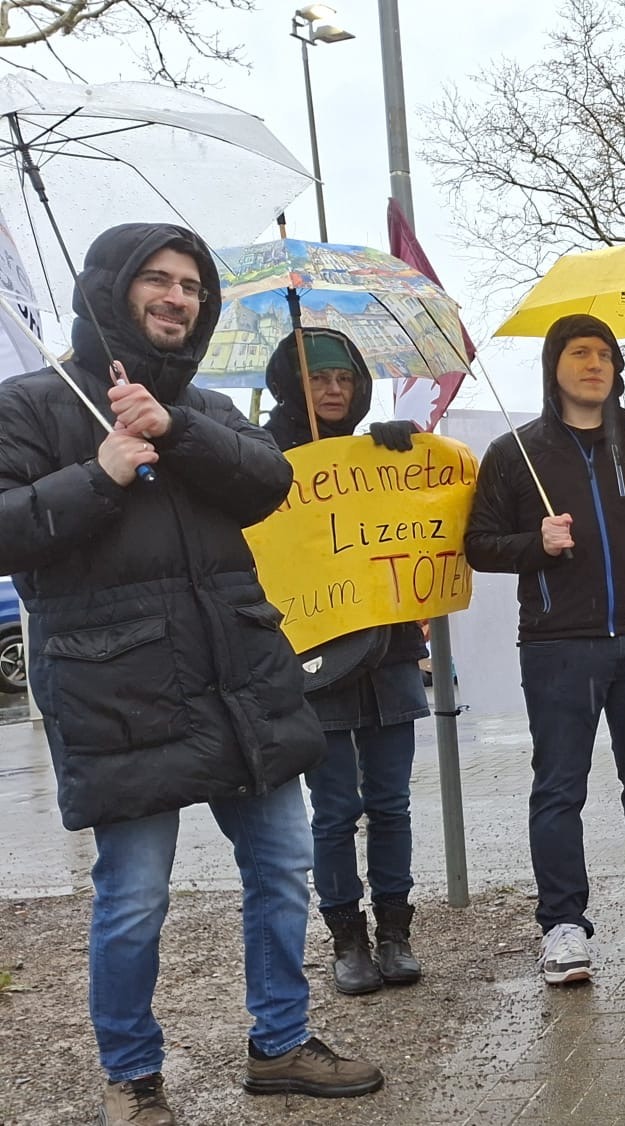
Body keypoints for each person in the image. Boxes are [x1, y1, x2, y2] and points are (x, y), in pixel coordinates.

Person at [0, 224, 382, 1124]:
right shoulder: (29, 405)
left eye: (193, 287)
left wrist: (174, 430)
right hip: (115, 694)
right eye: (158, 281)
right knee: (134, 898)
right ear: (110, 288)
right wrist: (95, 474)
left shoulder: (204, 407)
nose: (180, 298)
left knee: (284, 868)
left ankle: (280, 1045)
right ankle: (133, 1074)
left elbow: (267, 483)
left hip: (238, 681)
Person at [466, 313, 625, 986]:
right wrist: (536, 544)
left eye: (605, 354)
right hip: (559, 648)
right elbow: (479, 545)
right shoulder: (515, 452)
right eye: (579, 353)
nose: (595, 363)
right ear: (555, 366)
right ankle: (562, 924)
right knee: (559, 788)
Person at [262, 327, 428, 995]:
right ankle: (347, 939)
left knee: (390, 804)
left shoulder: (375, 449)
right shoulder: (263, 454)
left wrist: (402, 455)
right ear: (290, 384)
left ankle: (395, 932)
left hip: (386, 652)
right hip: (313, 658)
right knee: (332, 810)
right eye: (318, 378)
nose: (333, 389)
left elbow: (421, 516)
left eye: (345, 379)